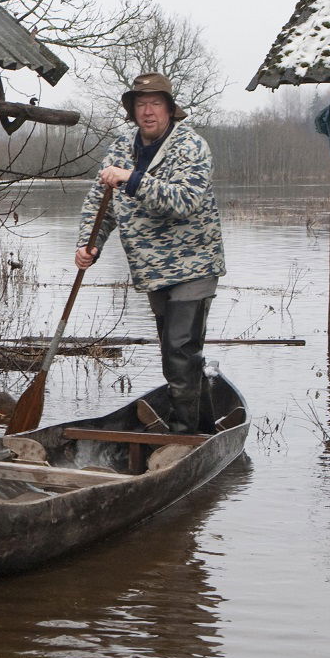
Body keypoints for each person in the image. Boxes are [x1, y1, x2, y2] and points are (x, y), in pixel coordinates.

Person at [75, 72, 226, 435]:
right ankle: (205, 428)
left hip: (194, 263)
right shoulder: (121, 145)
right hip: (152, 269)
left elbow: (185, 202)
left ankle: (183, 435)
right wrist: (88, 243)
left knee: (178, 351)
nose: (148, 111)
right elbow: (101, 201)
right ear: (132, 111)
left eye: (156, 104)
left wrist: (132, 178)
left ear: (171, 109)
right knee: (181, 356)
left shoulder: (191, 146)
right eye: (141, 104)